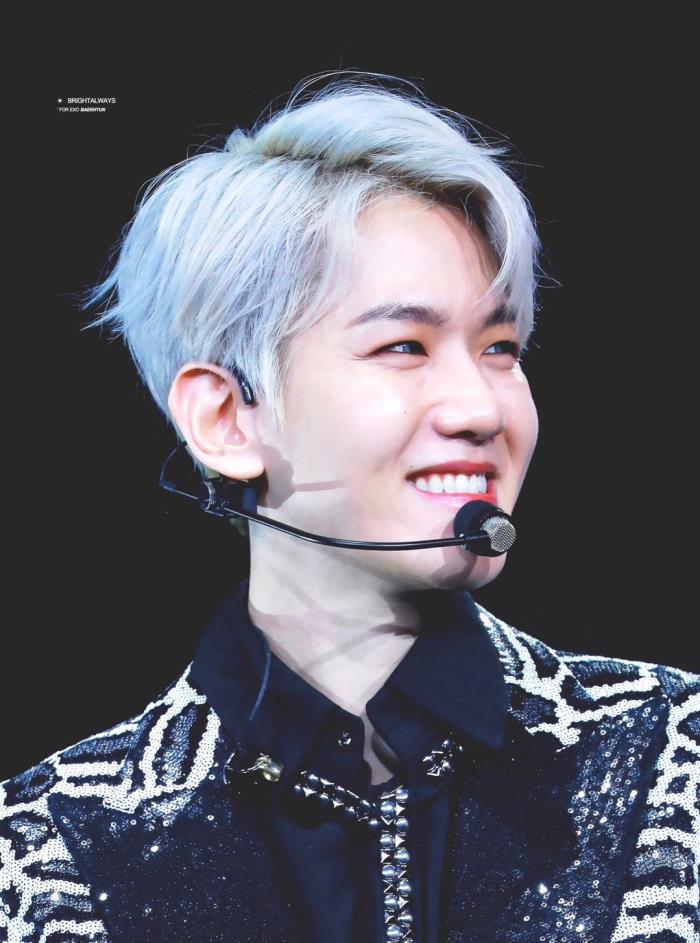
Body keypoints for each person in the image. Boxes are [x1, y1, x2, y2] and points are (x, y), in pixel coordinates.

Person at [1, 72, 698, 943]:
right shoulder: (47, 840)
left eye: (500, 346)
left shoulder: (674, 749)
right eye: (403, 345)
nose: (481, 408)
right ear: (226, 419)